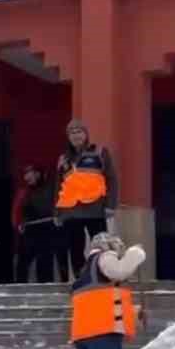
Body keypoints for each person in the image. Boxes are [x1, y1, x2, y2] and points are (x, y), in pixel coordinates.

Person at [70, 232, 146, 349]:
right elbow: (119, 271)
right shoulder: (104, 257)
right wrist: (135, 254)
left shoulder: (86, 272)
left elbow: (101, 304)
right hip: (102, 332)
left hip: (83, 334)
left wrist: (133, 312)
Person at [54, 119, 119, 278]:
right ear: (68, 137)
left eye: (79, 132)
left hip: (95, 208)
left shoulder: (100, 152)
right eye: (72, 133)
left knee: (102, 246)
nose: (76, 136)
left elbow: (111, 179)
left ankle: (103, 276)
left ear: (86, 134)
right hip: (70, 211)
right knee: (75, 249)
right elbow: (59, 186)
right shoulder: (64, 159)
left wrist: (110, 205)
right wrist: (57, 212)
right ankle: (82, 279)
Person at [13, 165, 60, 283]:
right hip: (29, 227)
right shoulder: (24, 191)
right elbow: (17, 209)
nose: (26, 177)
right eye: (25, 175)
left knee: (45, 259)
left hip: (46, 226)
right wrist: (18, 223)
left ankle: (46, 285)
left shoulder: (50, 187)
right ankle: (20, 285)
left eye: (29, 174)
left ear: (37, 174)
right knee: (23, 261)